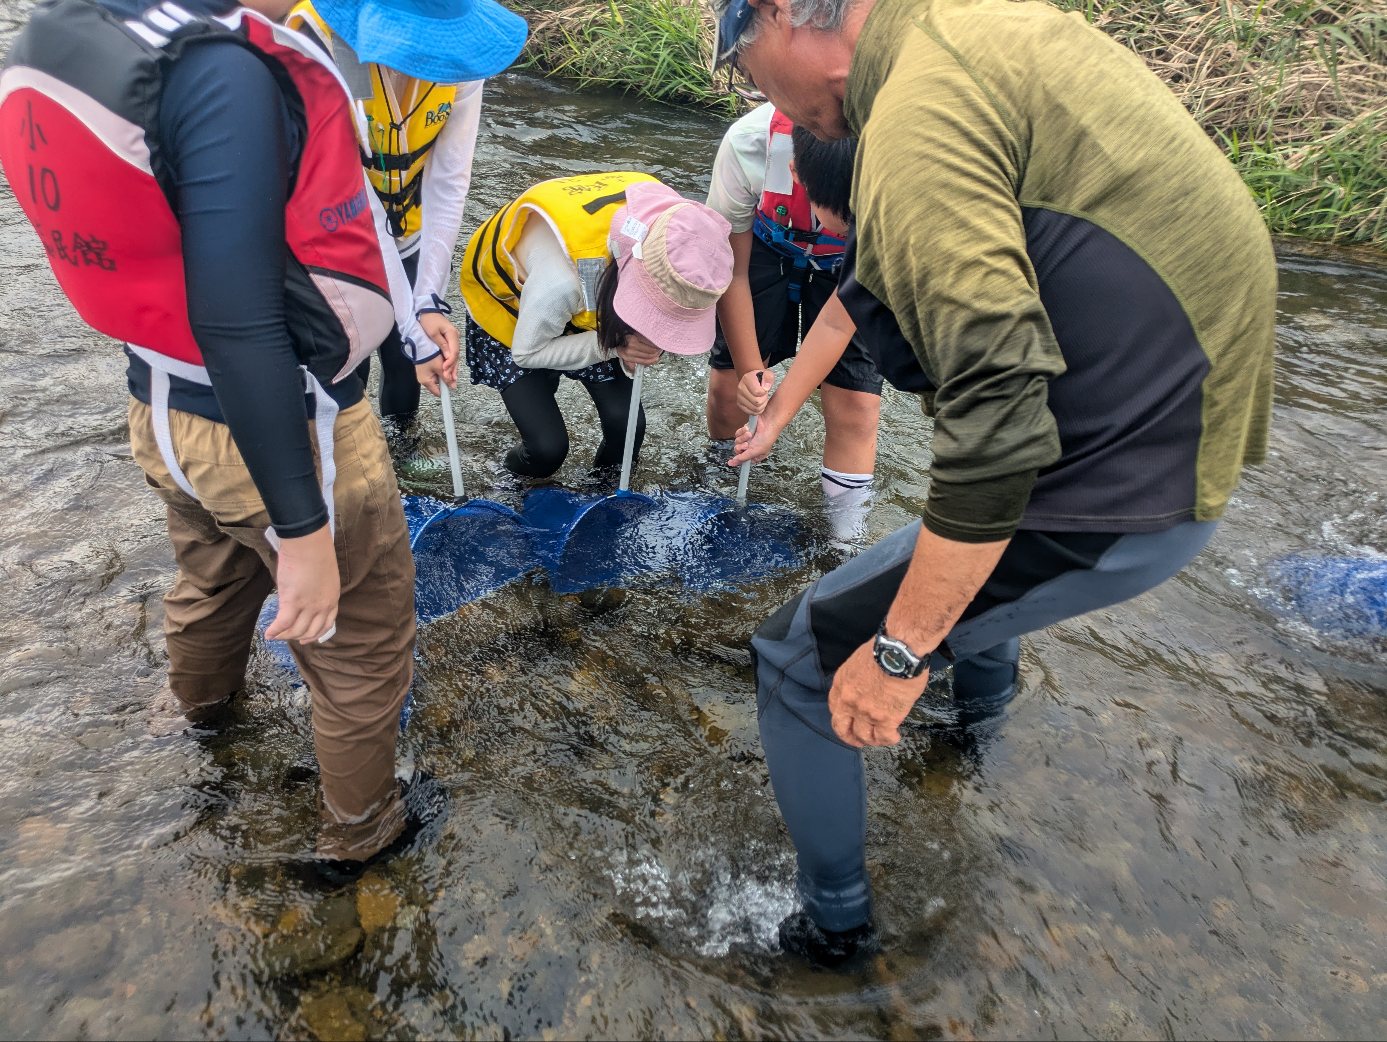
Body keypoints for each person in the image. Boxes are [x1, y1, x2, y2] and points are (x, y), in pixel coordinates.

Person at [713, 0, 1277, 965]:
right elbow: (864, 307)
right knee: (957, 577)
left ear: (775, 13)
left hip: (1112, 482)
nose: (749, 86)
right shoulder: (967, 32)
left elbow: (998, 434)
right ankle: (976, 738)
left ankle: (835, 933)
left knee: (798, 658)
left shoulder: (914, 118)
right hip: (1170, 439)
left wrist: (898, 654)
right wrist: (779, 413)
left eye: (738, 59)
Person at [0, 0, 457, 875]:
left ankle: (197, 720)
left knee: (212, 580)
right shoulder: (220, 74)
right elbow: (239, 322)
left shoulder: (67, 32)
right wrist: (304, 529)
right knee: (358, 641)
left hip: (158, 404)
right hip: (283, 425)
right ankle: (361, 835)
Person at [285, 0, 527, 457]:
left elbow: (449, 182)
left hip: (407, 229)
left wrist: (428, 301)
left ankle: (400, 453)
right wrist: (413, 328)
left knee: (403, 360)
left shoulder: (463, 59)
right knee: (347, 357)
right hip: (332, 236)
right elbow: (355, 198)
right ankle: (346, 459)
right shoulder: (322, 45)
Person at [458, 174, 734, 479]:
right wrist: (615, 347)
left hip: (592, 301)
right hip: (515, 313)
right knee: (547, 449)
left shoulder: (676, 228)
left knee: (627, 430)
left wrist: (638, 347)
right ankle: (508, 483)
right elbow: (527, 353)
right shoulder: (558, 284)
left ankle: (603, 488)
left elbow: (665, 294)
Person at [706, 103, 879, 543]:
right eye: (843, 220)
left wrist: (777, 417)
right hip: (765, 240)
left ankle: (845, 544)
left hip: (849, 267)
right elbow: (733, 274)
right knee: (730, 391)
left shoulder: (900, 173)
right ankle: (721, 488)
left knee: (857, 405)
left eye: (854, 224)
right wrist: (752, 376)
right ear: (796, 173)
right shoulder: (747, 146)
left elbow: (839, 322)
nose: (843, 229)